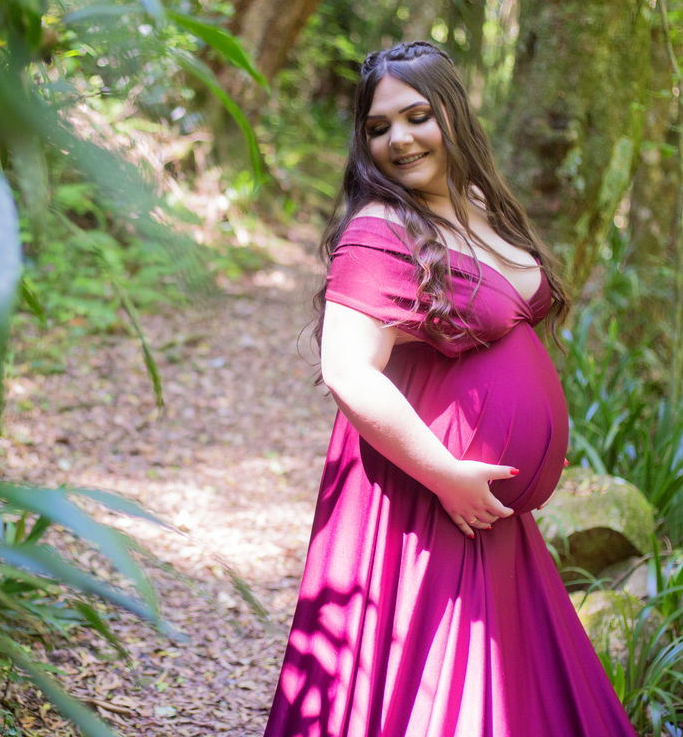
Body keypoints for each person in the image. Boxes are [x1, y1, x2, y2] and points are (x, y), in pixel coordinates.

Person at [263, 41, 636, 736]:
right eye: (379, 127)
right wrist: (445, 474)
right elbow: (347, 369)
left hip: (485, 511)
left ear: (454, 115)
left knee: (509, 697)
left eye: (417, 116)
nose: (400, 139)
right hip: (426, 499)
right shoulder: (381, 230)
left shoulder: (477, 206)